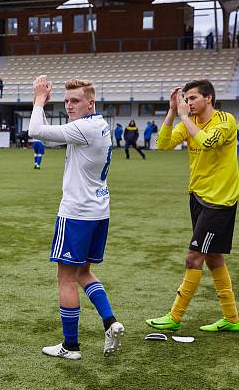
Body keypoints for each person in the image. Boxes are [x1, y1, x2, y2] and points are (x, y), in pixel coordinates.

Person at [28, 75, 124, 360]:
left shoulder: (83, 129)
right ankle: (110, 322)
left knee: (66, 278)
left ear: (90, 102)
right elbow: (48, 134)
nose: (69, 106)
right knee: (83, 272)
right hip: (98, 211)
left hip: (77, 214)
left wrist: (38, 98)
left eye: (76, 101)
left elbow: (35, 130)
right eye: (67, 101)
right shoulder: (98, 124)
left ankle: (70, 346)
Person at [145, 81, 239, 333]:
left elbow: (208, 142)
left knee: (193, 257)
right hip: (198, 197)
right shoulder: (188, 121)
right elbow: (163, 144)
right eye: (185, 99)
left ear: (209, 98)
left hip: (219, 201)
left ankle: (175, 316)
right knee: (213, 257)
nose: (189, 103)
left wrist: (184, 118)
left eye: (193, 98)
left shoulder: (225, 120)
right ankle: (232, 319)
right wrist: (172, 113)